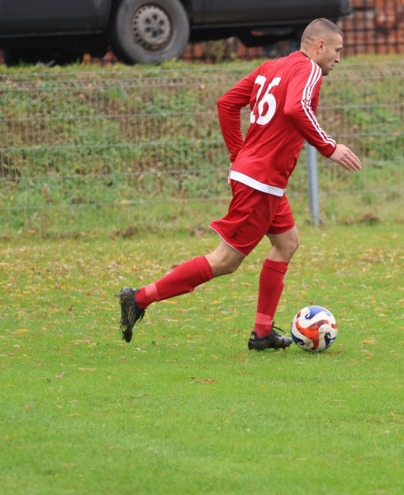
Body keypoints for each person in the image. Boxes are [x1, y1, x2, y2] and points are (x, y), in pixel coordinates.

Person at [118, 18, 362, 350]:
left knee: (287, 242)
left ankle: (262, 333)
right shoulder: (309, 71)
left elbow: (227, 103)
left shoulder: (271, 66)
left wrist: (239, 153)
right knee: (225, 260)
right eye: (337, 50)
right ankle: (140, 298)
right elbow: (295, 107)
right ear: (320, 46)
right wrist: (330, 147)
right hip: (260, 183)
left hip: (264, 181)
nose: (338, 58)